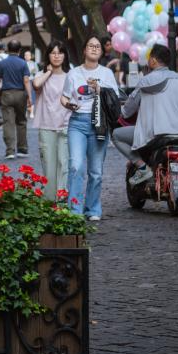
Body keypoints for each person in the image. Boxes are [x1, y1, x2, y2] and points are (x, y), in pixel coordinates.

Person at [112, 44, 178, 185]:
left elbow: (127, 111)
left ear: (153, 61)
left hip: (152, 135)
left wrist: (120, 111)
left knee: (116, 135)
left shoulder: (145, 81)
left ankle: (142, 167)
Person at [61, 36, 119, 221]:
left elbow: (116, 99)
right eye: (90, 45)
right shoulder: (73, 73)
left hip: (99, 125)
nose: (94, 48)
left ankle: (93, 209)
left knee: (96, 172)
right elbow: (64, 97)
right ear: (84, 50)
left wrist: (99, 88)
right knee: (76, 166)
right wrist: (69, 105)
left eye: (97, 46)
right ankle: (74, 210)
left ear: (101, 52)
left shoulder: (107, 73)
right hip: (77, 123)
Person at [32, 41, 71, 200]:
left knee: (64, 165)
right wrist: (48, 73)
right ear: (48, 55)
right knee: (49, 166)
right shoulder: (41, 75)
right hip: (46, 125)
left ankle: (61, 200)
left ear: (64, 55)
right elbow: (36, 85)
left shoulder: (71, 76)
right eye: (53, 53)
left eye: (60, 52)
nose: (56, 56)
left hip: (66, 125)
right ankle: (49, 202)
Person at [0, 41, 31, 159]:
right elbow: (26, 81)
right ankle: (22, 149)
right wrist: (30, 96)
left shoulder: (2, 63)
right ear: (19, 50)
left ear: (7, 49)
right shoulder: (23, 63)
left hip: (7, 94)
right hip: (20, 94)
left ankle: (10, 151)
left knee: (8, 123)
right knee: (21, 121)